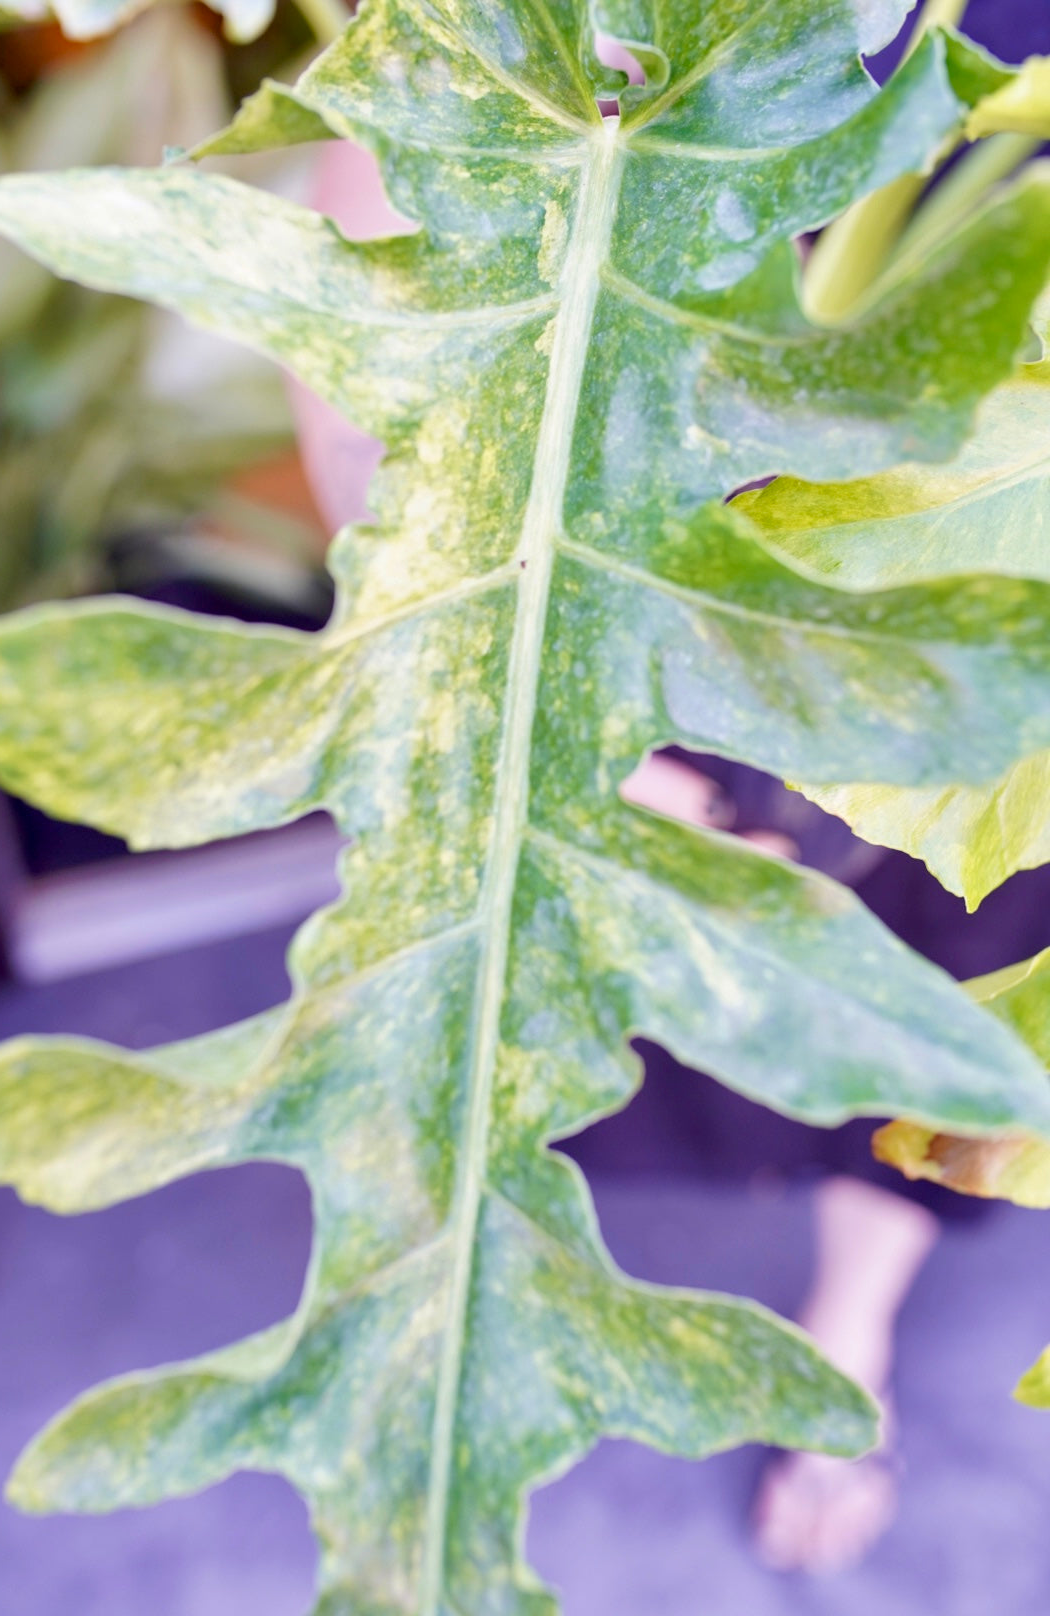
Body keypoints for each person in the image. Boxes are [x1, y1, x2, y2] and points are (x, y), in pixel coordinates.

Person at [291, 135, 1007, 1578]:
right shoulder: (496, 60)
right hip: (612, 672)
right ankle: (459, 1337)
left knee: (926, 1009)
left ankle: (847, 1342)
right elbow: (367, 426)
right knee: (521, 1033)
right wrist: (535, 715)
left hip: (935, 636)